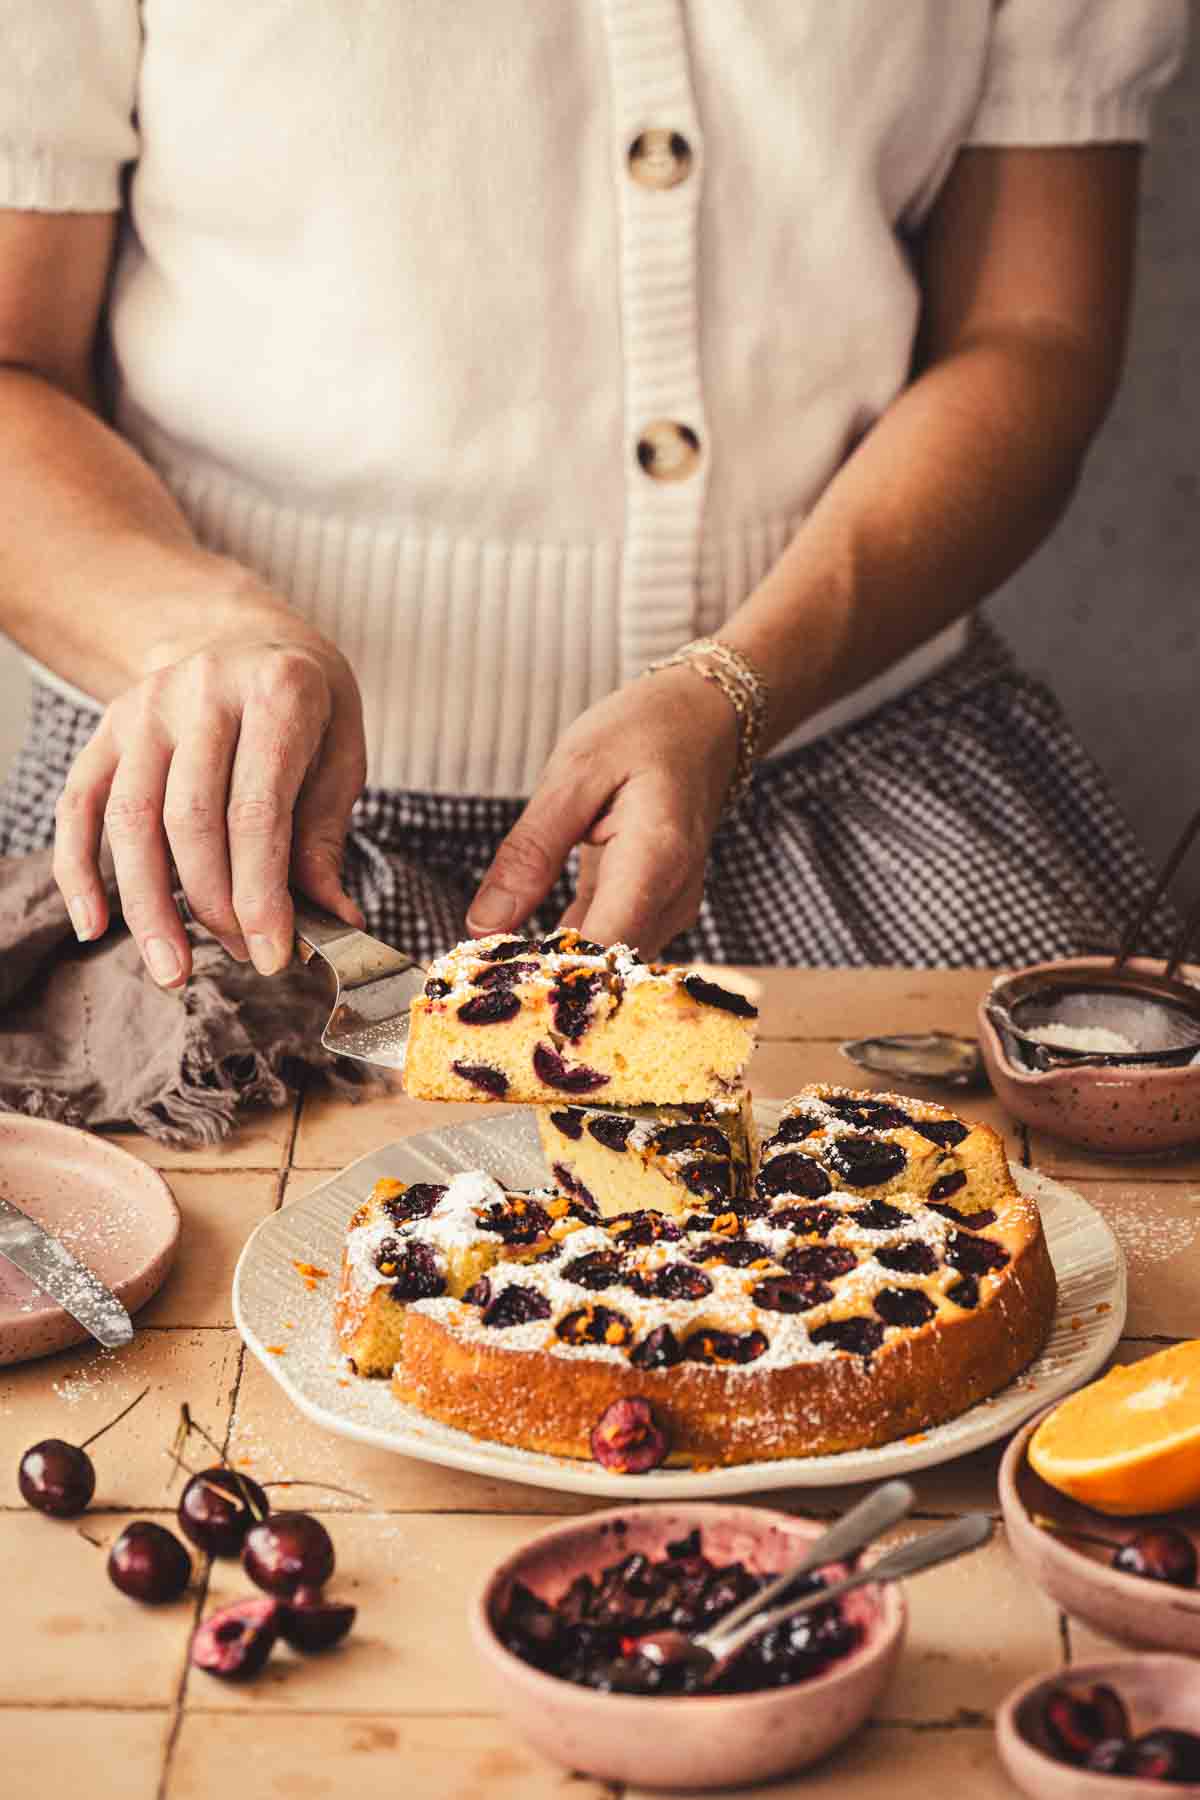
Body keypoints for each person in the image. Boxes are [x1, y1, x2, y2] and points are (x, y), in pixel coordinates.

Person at [0, 1, 1186, 986]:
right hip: (217, 834)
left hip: (857, 783)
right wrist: (202, 633)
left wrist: (735, 688)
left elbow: (1033, 331)